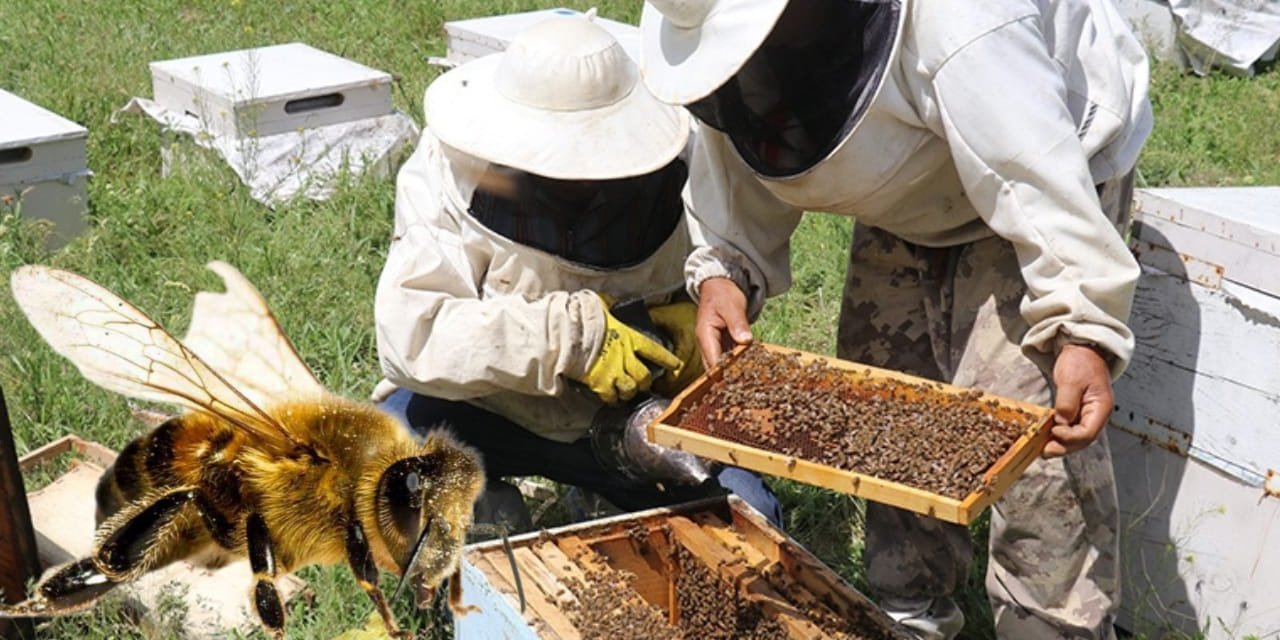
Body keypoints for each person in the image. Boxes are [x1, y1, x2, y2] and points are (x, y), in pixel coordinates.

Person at [639, 0, 1152, 638]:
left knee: (1034, 428)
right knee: (887, 410)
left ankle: (1051, 623)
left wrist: (1082, 326)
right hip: (912, 175)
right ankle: (908, 612)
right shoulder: (748, 44)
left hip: (1048, 159)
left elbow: (1034, 177)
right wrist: (725, 267)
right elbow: (735, 129)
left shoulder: (966, 23)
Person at [371, 12, 783, 535]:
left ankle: (603, 498)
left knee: (751, 523)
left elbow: (732, 253)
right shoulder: (448, 166)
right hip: (489, 410)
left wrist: (700, 308)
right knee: (387, 461)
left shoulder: (684, 153)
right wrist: (572, 338)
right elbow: (412, 333)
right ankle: (486, 521)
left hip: (635, 420)